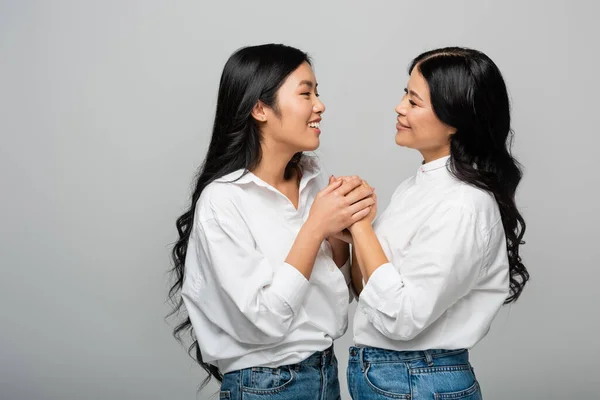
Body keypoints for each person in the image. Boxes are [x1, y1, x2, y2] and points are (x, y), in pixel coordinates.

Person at [167, 43, 375, 400]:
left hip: (326, 373)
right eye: (306, 93)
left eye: (317, 93)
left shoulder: (313, 181)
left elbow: (333, 303)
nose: (319, 105)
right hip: (266, 386)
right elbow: (263, 322)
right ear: (260, 108)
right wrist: (314, 228)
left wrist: (344, 232)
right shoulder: (223, 201)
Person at [346, 47, 530, 399]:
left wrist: (360, 227)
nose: (400, 107)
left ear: (454, 120)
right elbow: (368, 295)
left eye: (414, 101)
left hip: (417, 379)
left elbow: (403, 318)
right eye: (405, 93)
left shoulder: (464, 203)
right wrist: (357, 229)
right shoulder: (415, 186)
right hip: (395, 375)